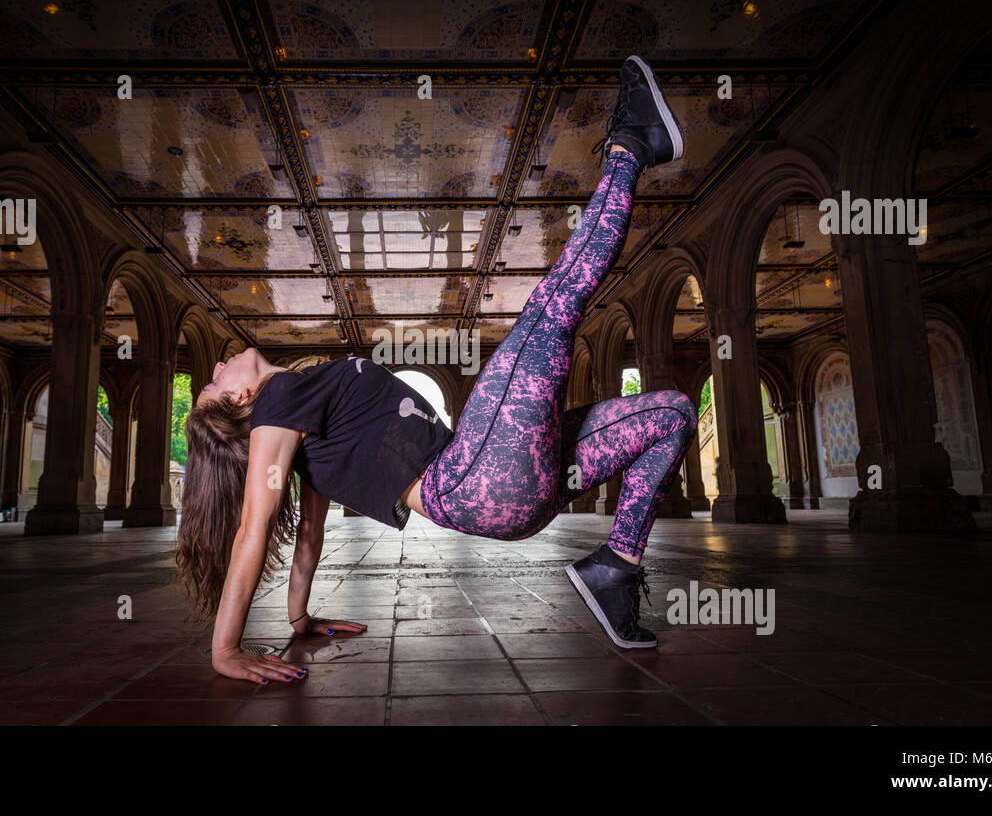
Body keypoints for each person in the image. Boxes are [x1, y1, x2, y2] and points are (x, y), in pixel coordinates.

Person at [180, 55, 697, 685]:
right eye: (211, 384)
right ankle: (630, 145)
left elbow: (309, 538)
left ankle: (616, 568)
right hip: (474, 481)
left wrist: (299, 621)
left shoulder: (301, 418)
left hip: (508, 487)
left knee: (672, 413)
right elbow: (251, 532)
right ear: (238, 402)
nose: (214, 366)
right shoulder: (276, 404)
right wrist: (224, 649)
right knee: (555, 305)